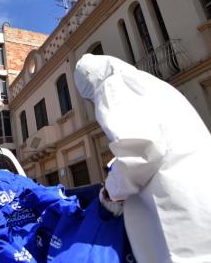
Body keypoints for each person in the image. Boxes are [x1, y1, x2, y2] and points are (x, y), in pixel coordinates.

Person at [74, 54, 211, 263]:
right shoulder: (150, 83)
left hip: (174, 207)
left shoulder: (112, 86)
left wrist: (111, 192)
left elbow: (139, 151)